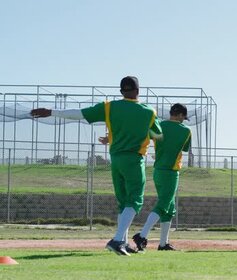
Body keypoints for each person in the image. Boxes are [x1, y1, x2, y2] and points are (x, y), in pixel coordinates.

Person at [31, 76, 162, 256]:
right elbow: (157, 135)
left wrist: (52, 112)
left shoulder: (109, 107)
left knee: (123, 202)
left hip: (115, 159)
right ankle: (117, 240)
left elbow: (79, 113)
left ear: (121, 91)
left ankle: (122, 241)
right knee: (134, 200)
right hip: (134, 159)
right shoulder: (149, 112)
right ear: (138, 91)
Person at [100, 103, 191, 252]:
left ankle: (163, 244)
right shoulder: (186, 130)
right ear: (180, 115)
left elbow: (136, 135)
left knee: (169, 208)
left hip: (157, 171)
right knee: (163, 205)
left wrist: (110, 138)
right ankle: (142, 235)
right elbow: (184, 148)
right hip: (171, 172)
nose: (183, 120)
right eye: (183, 117)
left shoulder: (158, 126)